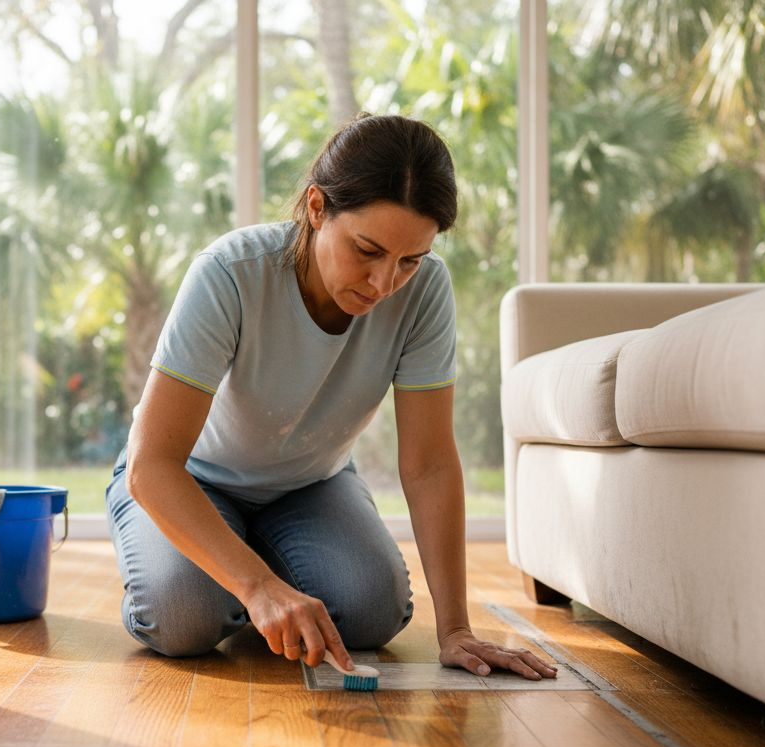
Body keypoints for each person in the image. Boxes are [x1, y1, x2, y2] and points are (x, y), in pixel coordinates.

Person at [105, 114, 557, 681]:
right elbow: (153, 465)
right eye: (367, 249)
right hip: (193, 479)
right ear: (317, 208)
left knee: (373, 612)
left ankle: (253, 569)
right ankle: (237, 571)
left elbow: (430, 464)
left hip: (309, 486)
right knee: (181, 620)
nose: (383, 283)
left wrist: (455, 629)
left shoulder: (425, 292)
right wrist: (260, 587)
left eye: (408, 260)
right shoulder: (229, 274)